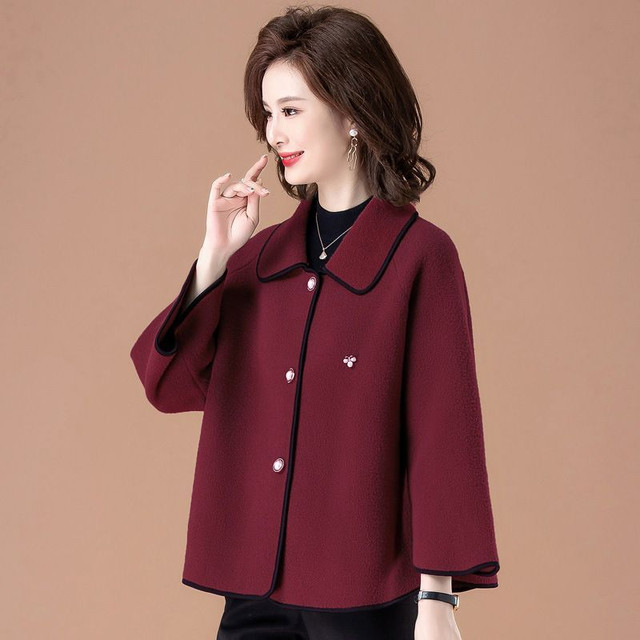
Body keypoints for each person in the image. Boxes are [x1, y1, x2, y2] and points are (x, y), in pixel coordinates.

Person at [130, 5, 500, 639]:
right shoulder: (259, 258)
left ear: (352, 111)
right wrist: (214, 256)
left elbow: (442, 434)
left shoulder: (420, 256)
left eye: (291, 110)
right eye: (267, 114)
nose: (275, 133)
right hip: (254, 592)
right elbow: (167, 385)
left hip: (365, 595)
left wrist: (437, 600)